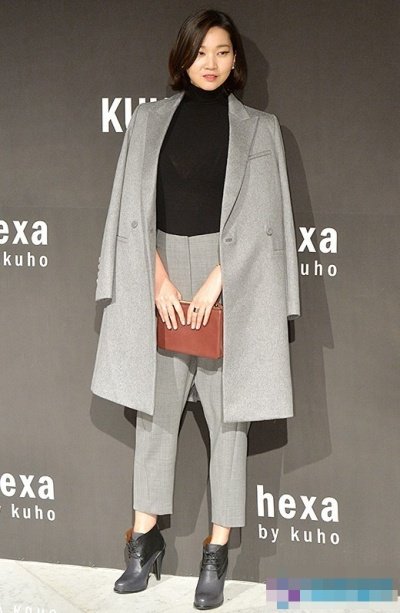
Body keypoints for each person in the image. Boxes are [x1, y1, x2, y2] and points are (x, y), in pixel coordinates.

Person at [91, 7, 300, 610]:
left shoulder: (260, 129)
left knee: (230, 420)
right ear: (183, 57)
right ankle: (144, 539)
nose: (211, 63)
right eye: (201, 51)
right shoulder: (147, 121)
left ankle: (218, 549)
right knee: (154, 413)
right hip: (156, 269)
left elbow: (266, 221)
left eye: (222, 52)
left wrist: (216, 283)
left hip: (229, 277)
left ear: (236, 61)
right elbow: (131, 211)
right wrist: (156, 278)